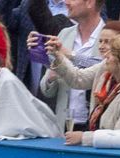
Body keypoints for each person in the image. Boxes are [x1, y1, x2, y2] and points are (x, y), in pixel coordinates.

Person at [39, 20, 120, 126]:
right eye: (100, 41)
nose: (101, 46)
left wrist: (85, 137)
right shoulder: (103, 66)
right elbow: (78, 78)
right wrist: (58, 56)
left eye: (107, 42)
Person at [34, 0, 107, 132]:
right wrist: (51, 75)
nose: (66, 3)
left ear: (90, 2)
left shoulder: (112, 36)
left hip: (97, 128)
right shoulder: (64, 34)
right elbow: (47, 90)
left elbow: (104, 68)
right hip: (64, 126)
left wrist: (70, 56)